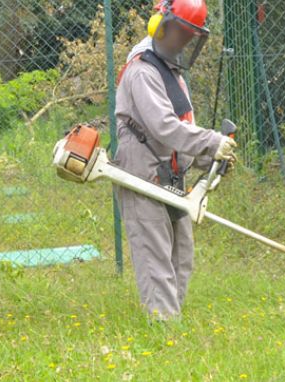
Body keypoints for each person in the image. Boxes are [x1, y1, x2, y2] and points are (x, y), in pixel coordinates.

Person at [113, 0, 236, 320]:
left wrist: (206, 158)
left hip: (170, 177)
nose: (183, 41)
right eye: (181, 32)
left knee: (181, 258)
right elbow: (163, 126)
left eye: (190, 35)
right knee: (156, 263)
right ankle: (164, 331)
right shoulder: (142, 70)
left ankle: (170, 327)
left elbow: (179, 131)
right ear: (159, 25)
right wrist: (211, 141)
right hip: (143, 176)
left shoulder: (172, 73)